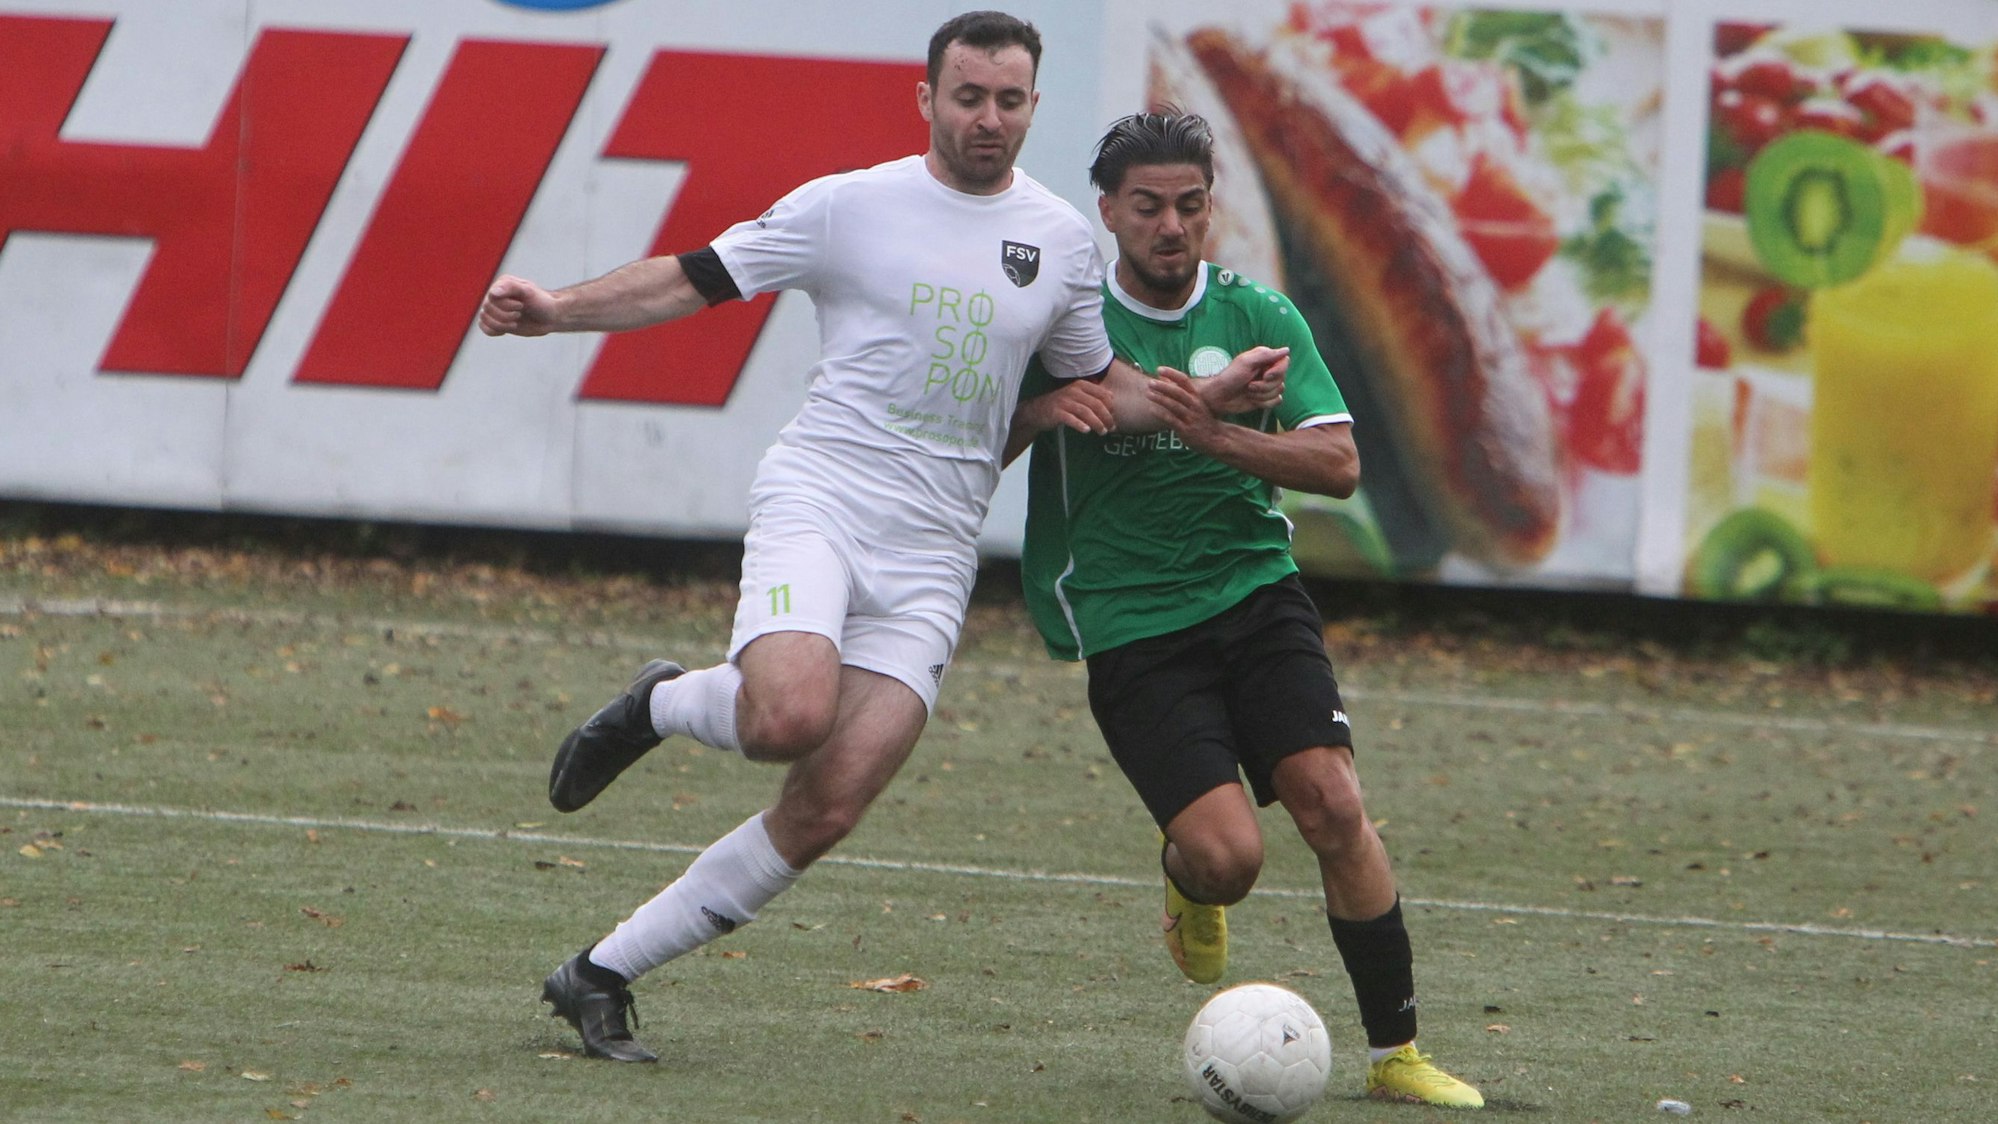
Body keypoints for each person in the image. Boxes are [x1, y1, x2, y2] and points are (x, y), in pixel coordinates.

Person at [476, 13, 1285, 1063]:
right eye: (967, 96)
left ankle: (598, 974)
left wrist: (1197, 397)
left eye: (1007, 100)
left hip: (936, 550)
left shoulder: (1059, 240)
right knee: (788, 714)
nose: (987, 119)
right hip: (827, 498)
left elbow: (1097, 382)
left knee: (829, 800)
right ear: (926, 98)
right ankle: (661, 699)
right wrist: (556, 309)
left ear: (1033, 106)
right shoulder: (848, 206)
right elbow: (696, 273)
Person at [1005, 111, 1485, 1108]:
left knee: (1334, 801)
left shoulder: (1261, 313)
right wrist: (1042, 409)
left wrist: (1218, 436)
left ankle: (1396, 1051)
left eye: (1189, 204)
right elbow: (977, 437)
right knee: (1230, 860)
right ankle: (1189, 880)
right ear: (1109, 212)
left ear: (1208, 206)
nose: (1171, 225)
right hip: (1130, 620)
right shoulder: (1065, 325)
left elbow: (1341, 463)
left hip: (1256, 593)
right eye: (1148, 207)